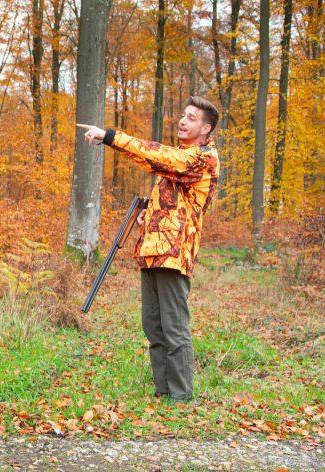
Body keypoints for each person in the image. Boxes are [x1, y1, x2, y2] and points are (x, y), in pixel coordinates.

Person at [77, 96, 220, 403]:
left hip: (174, 255)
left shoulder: (203, 157)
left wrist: (110, 136)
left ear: (206, 129)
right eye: (183, 115)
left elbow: (160, 157)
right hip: (152, 251)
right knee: (153, 325)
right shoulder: (178, 160)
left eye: (192, 118)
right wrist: (149, 211)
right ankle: (163, 391)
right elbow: (168, 188)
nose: (183, 121)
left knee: (174, 326)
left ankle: (181, 397)